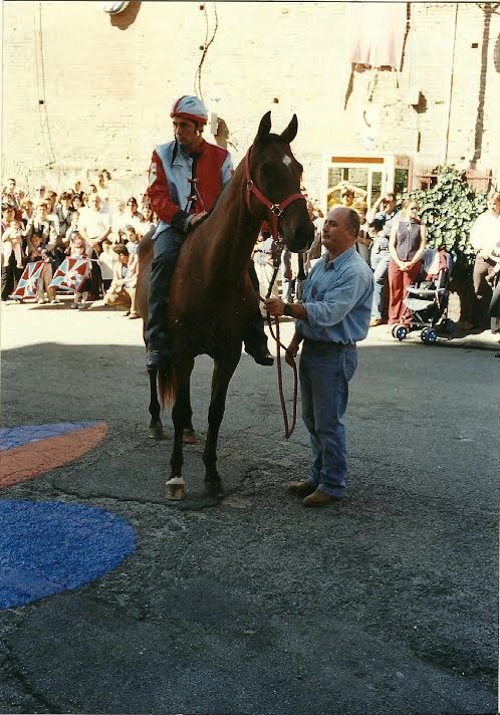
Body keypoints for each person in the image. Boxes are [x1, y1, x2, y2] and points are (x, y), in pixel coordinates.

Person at [145, 94, 273, 369]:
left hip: (212, 229)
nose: (179, 132)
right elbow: (156, 196)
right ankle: (156, 340)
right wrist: (183, 219)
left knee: (246, 268)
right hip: (174, 224)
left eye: (184, 126)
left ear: (199, 128)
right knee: (162, 262)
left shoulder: (222, 157)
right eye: (176, 125)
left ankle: (255, 335)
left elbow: (231, 196)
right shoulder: (161, 154)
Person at [264, 206, 374, 507]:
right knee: (313, 420)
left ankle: (332, 483)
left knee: (328, 422)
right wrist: (295, 341)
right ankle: (318, 476)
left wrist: (285, 309)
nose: (325, 228)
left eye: (334, 225)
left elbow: (329, 312)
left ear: (351, 234)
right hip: (315, 350)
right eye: (325, 223)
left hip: (334, 355)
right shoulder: (322, 264)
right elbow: (310, 303)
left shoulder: (354, 272)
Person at [387, 199, 427, 325]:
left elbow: (422, 246)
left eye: (416, 208)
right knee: (395, 291)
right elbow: (392, 245)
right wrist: (399, 262)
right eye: (412, 208)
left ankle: (406, 321)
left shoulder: (421, 226)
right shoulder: (397, 224)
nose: (414, 211)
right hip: (397, 262)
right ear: (405, 209)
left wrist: (412, 262)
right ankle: (393, 320)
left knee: (408, 292)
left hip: (412, 263)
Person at [469, 192, 500, 327]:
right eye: (489, 203)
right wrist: (481, 249)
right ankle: (477, 322)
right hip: (483, 258)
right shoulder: (482, 219)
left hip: (498, 261)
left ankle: (494, 325)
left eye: (495, 203)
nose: (492, 206)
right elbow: (474, 237)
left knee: (497, 294)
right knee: (478, 289)